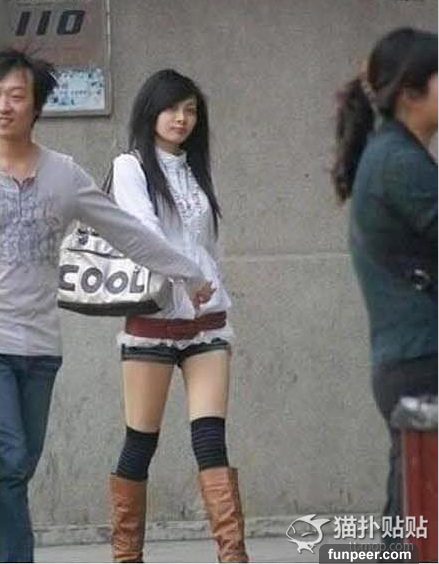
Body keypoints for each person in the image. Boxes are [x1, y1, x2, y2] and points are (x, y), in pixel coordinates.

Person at [0, 49, 214, 563]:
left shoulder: (64, 175)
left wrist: (188, 272)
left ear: (36, 105)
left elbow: (129, 233)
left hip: (40, 347)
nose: (3, 106)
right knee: (8, 460)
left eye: (15, 96)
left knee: (20, 467)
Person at [108, 69, 249, 563]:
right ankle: (127, 557)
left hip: (207, 324)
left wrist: (211, 288)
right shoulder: (129, 167)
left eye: (190, 110)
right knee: (140, 444)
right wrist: (189, 277)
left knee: (211, 441)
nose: (181, 118)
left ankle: (234, 556)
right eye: (172, 108)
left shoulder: (195, 170)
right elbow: (143, 236)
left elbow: (208, 245)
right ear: (151, 110)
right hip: (152, 324)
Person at [331, 27, 437, 554]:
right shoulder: (399, 162)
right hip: (423, 360)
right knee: (417, 529)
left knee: (409, 526)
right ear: (412, 91)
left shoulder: (394, 155)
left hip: (410, 360)